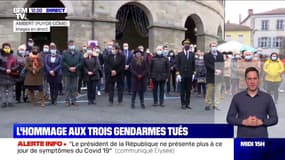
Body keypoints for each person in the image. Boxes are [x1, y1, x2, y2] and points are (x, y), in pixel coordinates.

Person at [227, 67, 278, 138]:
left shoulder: (267, 97)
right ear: (245, 80)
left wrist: (261, 122)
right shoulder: (237, 97)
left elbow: (274, 119)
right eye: (249, 79)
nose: (252, 82)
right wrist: (243, 122)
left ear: (258, 80)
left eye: (255, 78)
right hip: (242, 140)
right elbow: (229, 118)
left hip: (261, 140)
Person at [175, 39, 195, 109]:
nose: (187, 45)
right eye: (185, 44)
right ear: (183, 45)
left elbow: (193, 64)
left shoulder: (192, 54)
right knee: (182, 90)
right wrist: (178, 74)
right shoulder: (179, 54)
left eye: (188, 44)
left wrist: (193, 73)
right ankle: (183, 104)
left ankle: (187, 104)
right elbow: (177, 65)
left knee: (188, 90)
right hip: (182, 75)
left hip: (189, 75)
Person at [204, 42, 224, 110]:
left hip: (219, 76)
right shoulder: (206, 55)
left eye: (215, 46)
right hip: (210, 75)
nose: (214, 47)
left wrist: (220, 70)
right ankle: (208, 104)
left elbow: (222, 64)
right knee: (209, 91)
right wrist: (215, 70)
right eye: (212, 46)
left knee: (218, 91)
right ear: (210, 47)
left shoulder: (220, 55)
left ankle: (216, 105)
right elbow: (207, 65)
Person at [62, 40, 82, 106]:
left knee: (74, 87)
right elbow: (63, 62)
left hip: (75, 72)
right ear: (68, 45)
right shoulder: (65, 53)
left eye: (72, 44)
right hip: (67, 73)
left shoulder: (78, 52)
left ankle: (74, 101)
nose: (72, 45)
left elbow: (81, 61)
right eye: (70, 44)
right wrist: (69, 68)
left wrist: (75, 67)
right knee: (67, 87)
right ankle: (67, 101)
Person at [0, 43, 19, 107]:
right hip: (2, 75)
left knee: (11, 89)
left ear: (10, 48)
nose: (7, 49)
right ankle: (4, 102)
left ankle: (10, 102)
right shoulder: (0, 56)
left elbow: (17, 65)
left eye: (8, 48)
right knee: (2, 90)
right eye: (5, 48)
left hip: (11, 75)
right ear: (2, 48)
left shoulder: (13, 56)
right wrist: (5, 70)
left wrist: (11, 69)